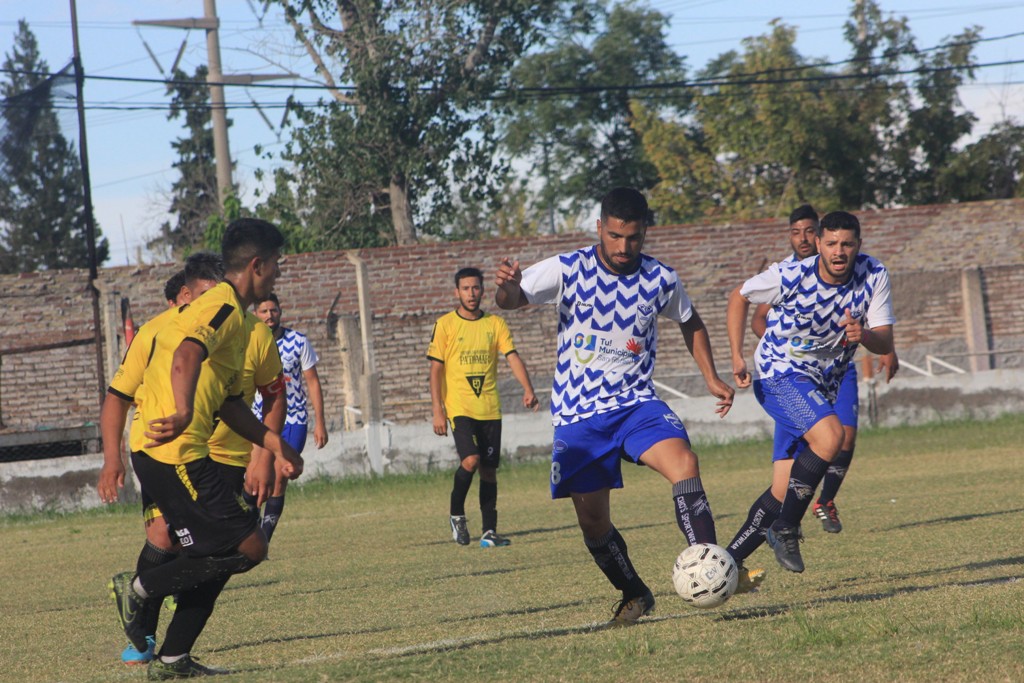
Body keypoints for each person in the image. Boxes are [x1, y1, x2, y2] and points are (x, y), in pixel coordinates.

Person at [495, 187, 735, 626]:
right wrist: (508, 292)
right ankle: (635, 593)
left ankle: (711, 568)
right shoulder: (569, 268)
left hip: (635, 406)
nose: (625, 248)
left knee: (684, 463)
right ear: (600, 228)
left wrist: (710, 375)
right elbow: (511, 301)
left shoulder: (661, 278)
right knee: (592, 522)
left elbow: (690, 321)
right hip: (579, 416)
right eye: (617, 236)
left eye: (635, 238)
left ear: (645, 232)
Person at [108, 218, 303, 679]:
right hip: (175, 454)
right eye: (275, 265)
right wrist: (179, 411)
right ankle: (141, 588)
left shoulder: (237, 319)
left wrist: (273, 445)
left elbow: (230, 402)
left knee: (220, 553)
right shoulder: (224, 308)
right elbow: (187, 354)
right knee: (250, 546)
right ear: (256, 265)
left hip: (177, 454)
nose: (278, 274)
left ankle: (174, 658)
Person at [727, 210, 895, 575]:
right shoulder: (790, 274)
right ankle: (786, 528)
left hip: (821, 386)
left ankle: (726, 562)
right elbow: (739, 297)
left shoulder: (875, 274)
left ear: (858, 246)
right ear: (818, 244)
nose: (839, 252)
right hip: (778, 374)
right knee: (833, 436)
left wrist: (863, 335)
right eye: (831, 243)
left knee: (781, 487)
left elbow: (884, 340)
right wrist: (737, 356)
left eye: (847, 244)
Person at [99, 255, 225, 665]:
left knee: (194, 544)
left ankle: (153, 615)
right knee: (165, 537)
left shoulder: (231, 327)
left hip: (216, 452)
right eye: (207, 294)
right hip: (160, 453)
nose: (216, 302)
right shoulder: (154, 333)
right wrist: (111, 460)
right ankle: (147, 633)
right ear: (185, 296)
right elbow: (117, 396)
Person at [427, 267, 539, 548]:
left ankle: (489, 532)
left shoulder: (495, 324)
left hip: (490, 408)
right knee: (471, 461)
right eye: (465, 288)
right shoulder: (445, 325)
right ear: (457, 292)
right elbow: (435, 370)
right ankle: (457, 515)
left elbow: (512, 357)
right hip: (459, 407)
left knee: (488, 470)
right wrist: (438, 410)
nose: (471, 293)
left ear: (482, 290)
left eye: (475, 288)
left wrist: (528, 389)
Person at [251, 292, 328, 543]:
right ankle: (247, 535)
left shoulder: (298, 341)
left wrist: (320, 422)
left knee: (280, 475)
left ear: (280, 312)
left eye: (273, 310)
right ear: (255, 315)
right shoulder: (250, 342)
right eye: (264, 311)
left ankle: (264, 539)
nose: (269, 315)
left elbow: (313, 383)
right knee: (254, 478)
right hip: (259, 419)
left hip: (293, 419)